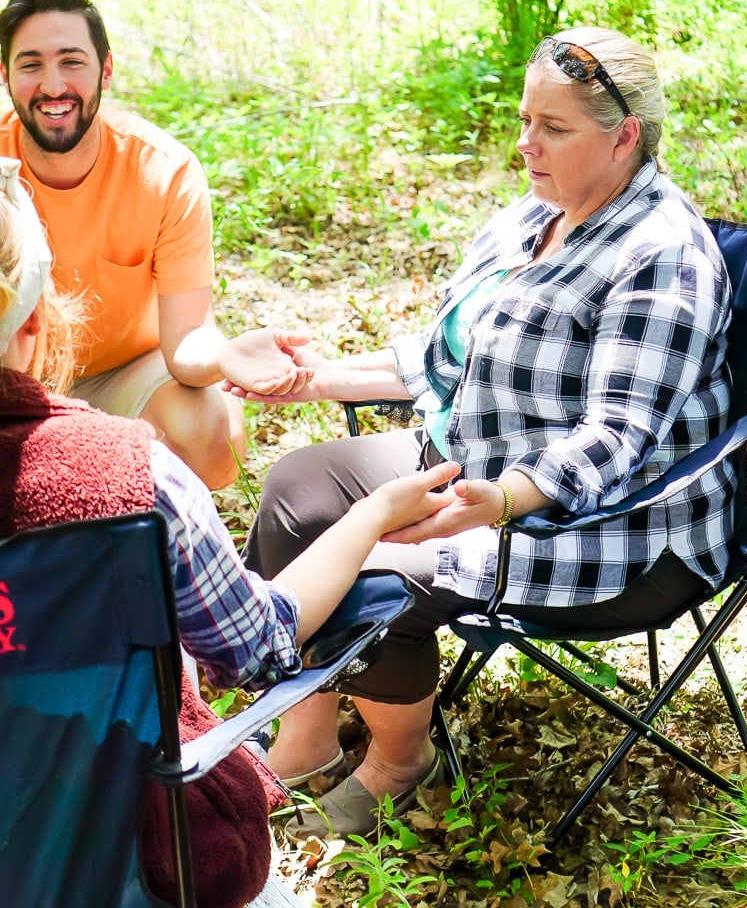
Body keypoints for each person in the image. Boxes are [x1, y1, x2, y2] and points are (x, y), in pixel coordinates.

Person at [233, 26, 736, 842]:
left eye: (553, 127)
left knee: (371, 566)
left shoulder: (661, 253)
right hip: (478, 465)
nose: (524, 143)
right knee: (298, 494)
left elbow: (618, 436)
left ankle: (401, 761)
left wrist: (499, 499)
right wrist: (312, 376)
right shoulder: (530, 219)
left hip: (612, 524)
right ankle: (307, 735)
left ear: (625, 137)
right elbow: (446, 357)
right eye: (525, 118)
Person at [0, 155, 466, 904]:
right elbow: (259, 643)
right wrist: (372, 514)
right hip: (126, 863)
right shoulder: (132, 480)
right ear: (32, 320)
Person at [0, 0, 315, 489]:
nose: (53, 85)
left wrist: (226, 356)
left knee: (209, 437)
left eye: (72, 62)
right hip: (11, 378)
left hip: (120, 373)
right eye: (31, 64)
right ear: (5, 76)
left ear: (105, 70)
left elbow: (188, 336)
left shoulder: (164, 172)